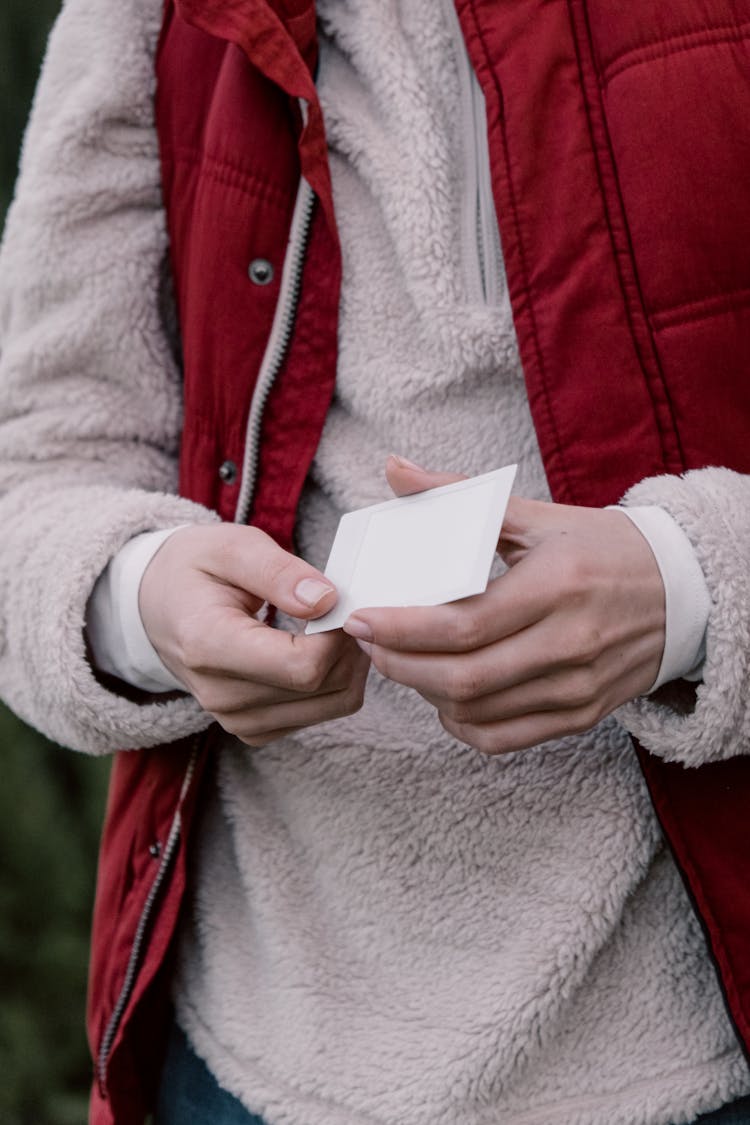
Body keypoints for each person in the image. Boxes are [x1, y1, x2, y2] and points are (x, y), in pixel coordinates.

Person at [2, 0, 750, 1123]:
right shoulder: (146, 18)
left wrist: (694, 589)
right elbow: (37, 473)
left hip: (703, 1060)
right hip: (245, 1061)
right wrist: (138, 601)